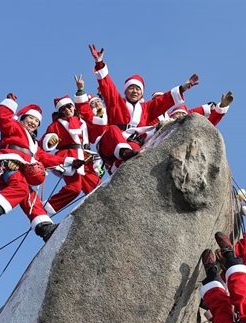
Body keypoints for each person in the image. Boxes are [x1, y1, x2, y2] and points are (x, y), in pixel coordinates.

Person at [0, 93, 79, 242]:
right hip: (7, 162)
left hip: (21, 170)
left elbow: (48, 158)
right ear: (22, 118)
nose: (33, 122)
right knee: (22, 188)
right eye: (31, 118)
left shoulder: (34, 145)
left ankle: (44, 227)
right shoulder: (14, 127)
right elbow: (1, 118)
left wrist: (70, 162)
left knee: (31, 198)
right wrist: (9, 103)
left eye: (36, 121)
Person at [88, 43, 199, 172]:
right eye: (131, 88)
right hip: (110, 144)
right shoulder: (117, 102)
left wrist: (183, 88)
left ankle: (120, 165)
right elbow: (107, 86)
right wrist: (99, 62)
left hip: (132, 143)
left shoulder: (146, 108)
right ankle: (123, 153)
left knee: (136, 150)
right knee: (112, 130)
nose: (134, 91)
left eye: (138, 89)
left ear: (142, 93)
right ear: (125, 91)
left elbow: (164, 100)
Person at [39, 77, 106, 214]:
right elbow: (44, 142)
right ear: (60, 112)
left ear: (73, 107)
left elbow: (95, 132)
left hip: (87, 156)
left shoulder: (82, 121)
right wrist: (50, 140)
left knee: (95, 186)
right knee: (75, 188)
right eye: (63, 109)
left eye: (69, 106)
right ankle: (45, 209)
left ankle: (99, 211)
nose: (67, 110)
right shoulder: (56, 125)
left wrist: (81, 91)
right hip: (70, 158)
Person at [167, 90, 234, 127]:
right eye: (178, 113)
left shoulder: (190, 126)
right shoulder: (164, 124)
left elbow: (208, 125)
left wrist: (222, 106)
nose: (181, 116)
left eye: (183, 114)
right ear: (171, 115)